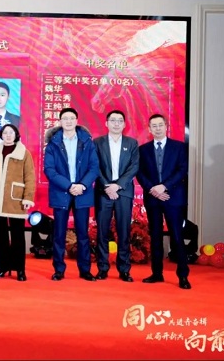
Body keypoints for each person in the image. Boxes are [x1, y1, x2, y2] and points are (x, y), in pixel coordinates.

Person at [44, 107, 99, 282]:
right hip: (61, 192)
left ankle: (85, 270)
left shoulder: (87, 142)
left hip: (82, 192)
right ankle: (59, 270)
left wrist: (82, 185)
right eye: (65, 118)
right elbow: (49, 170)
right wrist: (69, 186)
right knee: (59, 234)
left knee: (83, 234)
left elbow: (94, 167)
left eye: (72, 118)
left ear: (77, 121)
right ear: (60, 121)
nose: (68, 121)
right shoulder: (53, 143)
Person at [136, 114, 191, 289]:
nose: (158, 128)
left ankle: (183, 276)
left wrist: (164, 187)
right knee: (155, 237)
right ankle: (157, 273)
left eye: (160, 125)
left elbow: (182, 170)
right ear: (149, 129)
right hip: (153, 198)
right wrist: (153, 189)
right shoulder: (143, 149)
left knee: (177, 236)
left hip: (173, 198)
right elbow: (140, 172)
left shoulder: (179, 147)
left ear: (166, 126)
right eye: (154, 125)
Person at [93, 110, 139, 282]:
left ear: (124, 124)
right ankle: (102, 268)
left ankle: (124, 269)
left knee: (123, 231)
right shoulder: (97, 142)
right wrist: (107, 186)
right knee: (102, 232)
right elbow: (95, 166)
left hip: (123, 191)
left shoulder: (132, 143)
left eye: (120, 120)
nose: (116, 123)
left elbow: (134, 166)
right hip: (103, 191)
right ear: (106, 123)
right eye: (113, 120)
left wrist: (118, 185)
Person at [0, 124, 36, 281]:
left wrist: (28, 197)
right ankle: (2, 267)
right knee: (0, 236)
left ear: (16, 135)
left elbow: (30, 176)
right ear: (1, 135)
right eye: (5, 132)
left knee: (18, 236)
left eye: (11, 132)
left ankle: (20, 269)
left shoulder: (24, 153)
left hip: (16, 199)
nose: (8, 135)